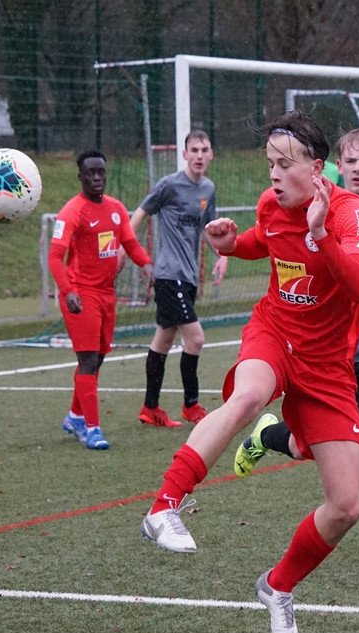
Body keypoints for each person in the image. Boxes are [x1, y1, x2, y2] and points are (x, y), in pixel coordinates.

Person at [139, 111, 359, 633]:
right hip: (274, 333)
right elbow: (261, 241)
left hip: (327, 367)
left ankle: (277, 586)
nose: (273, 174)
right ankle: (163, 507)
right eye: (270, 163)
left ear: (317, 168)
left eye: (285, 164)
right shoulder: (271, 203)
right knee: (247, 397)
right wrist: (228, 244)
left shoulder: (349, 212)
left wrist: (319, 232)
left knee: (347, 506)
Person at [232, 127, 359, 590]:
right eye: (351, 162)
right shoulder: (319, 211)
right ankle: (269, 435)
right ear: (336, 167)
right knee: (306, 448)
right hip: (324, 363)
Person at [50, 150, 155, 450]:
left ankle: (74, 416)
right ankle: (92, 429)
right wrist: (68, 290)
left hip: (106, 294)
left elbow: (130, 243)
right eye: (90, 173)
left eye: (101, 172)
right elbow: (55, 258)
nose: (97, 178)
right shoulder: (72, 211)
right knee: (88, 360)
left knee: (97, 359)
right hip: (81, 293)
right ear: (80, 176)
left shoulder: (116, 208)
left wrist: (147, 264)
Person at [129, 130, 227, 429]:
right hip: (168, 276)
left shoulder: (208, 189)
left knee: (164, 339)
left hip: (188, 277)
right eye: (194, 150)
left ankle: (150, 408)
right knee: (196, 338)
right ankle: (191, 405)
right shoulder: (169, 185)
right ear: (184, 155)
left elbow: (209, 229)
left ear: (211, 155)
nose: (199, 155)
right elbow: (141, 212)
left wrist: (222, 255)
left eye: (204, 150)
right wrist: (126, 248)